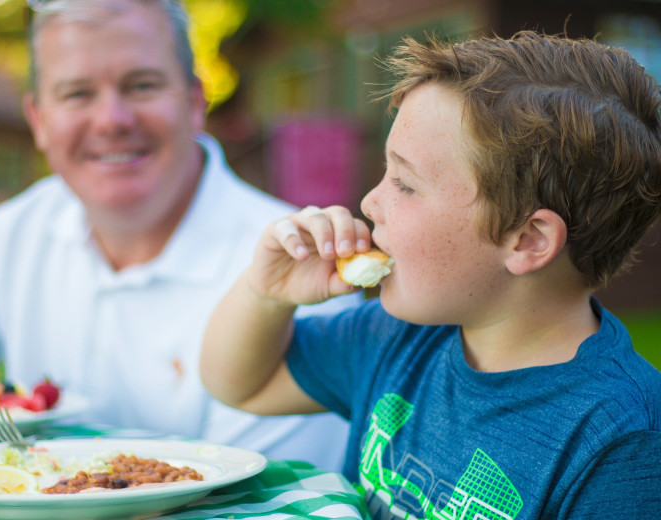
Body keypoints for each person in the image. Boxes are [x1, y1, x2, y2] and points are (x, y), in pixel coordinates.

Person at [0, 0, 357, 471]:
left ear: (193, 102)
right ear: (38, 120)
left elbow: (272, 495)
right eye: (77, 93)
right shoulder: (12, 236)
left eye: (141, 85)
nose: (112, 120)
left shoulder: (298, 273)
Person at [200, 31, 661, 518]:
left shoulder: (622, 442)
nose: (369, 202)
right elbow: (242, 383)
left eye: (405, 183)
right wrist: (266, 293)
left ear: (528, 240)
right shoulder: (398, 336)